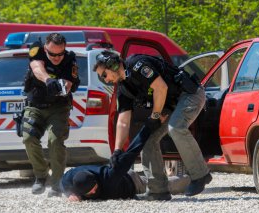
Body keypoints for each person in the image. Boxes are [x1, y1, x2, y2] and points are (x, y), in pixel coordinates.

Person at [93, 50, 212, 201]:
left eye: (104, 75)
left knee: (176, 127)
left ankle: (200, 175)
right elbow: (123, 121)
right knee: (148, 140)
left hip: (189, 94)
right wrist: (117, 151)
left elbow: (161, 88)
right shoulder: (124, 88)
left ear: (113, 65)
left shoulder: (137, 65)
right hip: (169, 106)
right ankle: (158, 190)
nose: (106, 80)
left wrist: (154, 116)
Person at [61, 121, 191, 201]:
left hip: (133, 182)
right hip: (119, 178)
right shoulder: (71, 179)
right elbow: (62, 183)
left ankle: (189, 179)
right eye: (90, 193)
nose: (95, 192)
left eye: (95, 188)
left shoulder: (109, 177)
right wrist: (70, 194)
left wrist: (151, 124)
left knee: (165, 186)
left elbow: (132, 151)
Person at [22, 33, 80, 197]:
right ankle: (41, 177)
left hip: (59, 107)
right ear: (45, 48)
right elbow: (37, 68)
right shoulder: (37, 51)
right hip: (36, 105)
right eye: (52, 54)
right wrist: (48, 81)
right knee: (28, 138)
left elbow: (70, 83)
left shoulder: (70, 59)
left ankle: (57, 184)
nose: (56, 57)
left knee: (55, 141)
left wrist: (63, 87)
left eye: (60, 54)